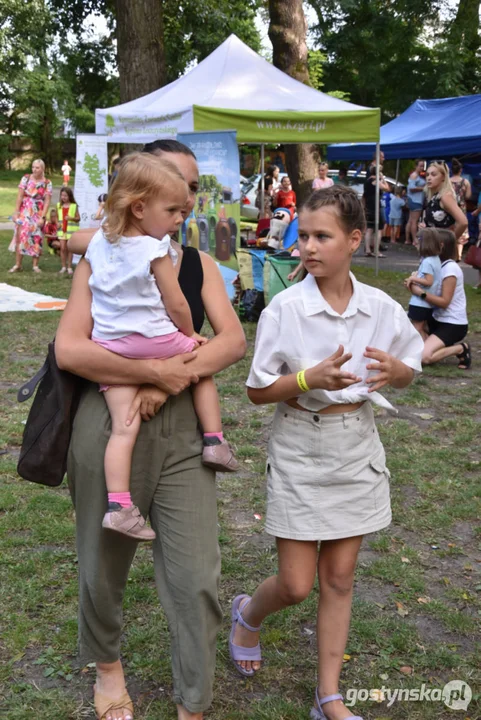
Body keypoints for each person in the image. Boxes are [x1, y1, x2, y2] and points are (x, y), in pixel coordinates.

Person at [57, 138, 246, 720]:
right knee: (103, 562)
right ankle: (108, 670)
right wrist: (147, 372)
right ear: (144, 197)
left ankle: (195, 699)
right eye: (177, 187)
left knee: (196, 576)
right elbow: (70, 350)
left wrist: (168, 379)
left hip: (186, 431)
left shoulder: (199, 265)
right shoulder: (102, 258)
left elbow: (233, 341)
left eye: (191, 187)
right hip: (111, 421)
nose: (187, 199)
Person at [229, 185, 423, 720]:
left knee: (339, 578)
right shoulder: (285, 309)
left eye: (322, 236)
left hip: (355, 445)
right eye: (304, 236)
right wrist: (305, 378)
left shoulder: (380, 308)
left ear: (354, 240)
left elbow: (410, 367)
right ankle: (247, 614)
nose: (308, 247)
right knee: (295, 584)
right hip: (298, 442)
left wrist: (401, 372)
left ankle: (328, 696)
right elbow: (256, 389)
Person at [83, 152, 238, 540]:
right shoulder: (157, 249)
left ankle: (119, 506)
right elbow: (176, 303)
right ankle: (215, 441)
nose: (181, 214)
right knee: (196, 361)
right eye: (173, 207)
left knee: (123, 429)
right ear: (139, 206)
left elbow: (76, 242)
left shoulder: (99, 245)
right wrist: (189, 335)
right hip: (155, 339)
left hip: (111, 348)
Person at [410, 229, 470, 369]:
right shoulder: (433, 264)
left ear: (440, 245)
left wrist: (420, 293)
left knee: (424, 357)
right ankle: (435, 345)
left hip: (452, 323)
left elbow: (444, 302)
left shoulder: (450, 269)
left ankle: (461, 348)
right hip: (434, 319)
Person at [8, 159, 52, 273]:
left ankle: (35, 265)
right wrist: (16, 212)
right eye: (33, 167)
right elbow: (19, 196)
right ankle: (18, 264)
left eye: (37, 167)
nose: (34, 169)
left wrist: (43, 217)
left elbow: (47, 201)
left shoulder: (47, 182)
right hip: (25, 211)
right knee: (20, 236)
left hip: (38, 212)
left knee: (36, 236)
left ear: (42, 169)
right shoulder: (26, 178)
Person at [423, 162, 468, 255]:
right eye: (427, 175)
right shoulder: (436, 196)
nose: (429, 178)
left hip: (440, 250)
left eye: (433, 174)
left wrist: (449, 242)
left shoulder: (445, 197)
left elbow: (463, 222)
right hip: (432, 246)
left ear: (443, 177)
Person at [404, 229, 442, 339]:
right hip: (426, 303)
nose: (415, 243)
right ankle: (429, 350)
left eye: (418, 241)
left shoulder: (427, 261)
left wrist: (413, 279)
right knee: (421, 328)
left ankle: (425, 351)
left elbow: (428, 281)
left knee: (416, 329)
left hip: (419, 303)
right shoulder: (435, 259)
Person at [362, 164, 390, 257]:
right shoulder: (375, 181)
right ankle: (376, 250)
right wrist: (383, 178)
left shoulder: (367, 181)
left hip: (369, 206)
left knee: (369, 228)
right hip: (376, 206)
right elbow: (387, 188)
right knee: (378, 229)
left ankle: (367, 249)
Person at [450, 158, 471, 260]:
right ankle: (459, 254)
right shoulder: (465, 182)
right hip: (461, 207)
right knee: (462, 229)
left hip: (450, 207)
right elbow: (468, 196)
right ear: (461, 170)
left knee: (451, 228)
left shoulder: (448, 182)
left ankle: (452, 253)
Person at [56, 187, 80, 275]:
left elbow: (78, 218)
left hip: (70, 231)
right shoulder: (59, 205)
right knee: (62, 248)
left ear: (69, 196)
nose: (63, 197)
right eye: (62, 195)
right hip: (62, 230)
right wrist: (57, 223)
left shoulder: (74, 206)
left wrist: (72, 218)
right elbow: (58, 218)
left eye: (65, 195)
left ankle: (69, 266)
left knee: (70, 249)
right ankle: (63, 266)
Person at [405, 159, 426, 246]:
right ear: (416, 166)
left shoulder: (418, 176)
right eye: (420, 166)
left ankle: (407, 239)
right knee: (414, 221)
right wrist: (423, 188)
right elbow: (411, 188)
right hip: (416, 200)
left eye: (422, 166)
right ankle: (415, 239)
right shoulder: (414, 176)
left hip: (414, 200)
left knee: (410, 220)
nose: (422, 168)